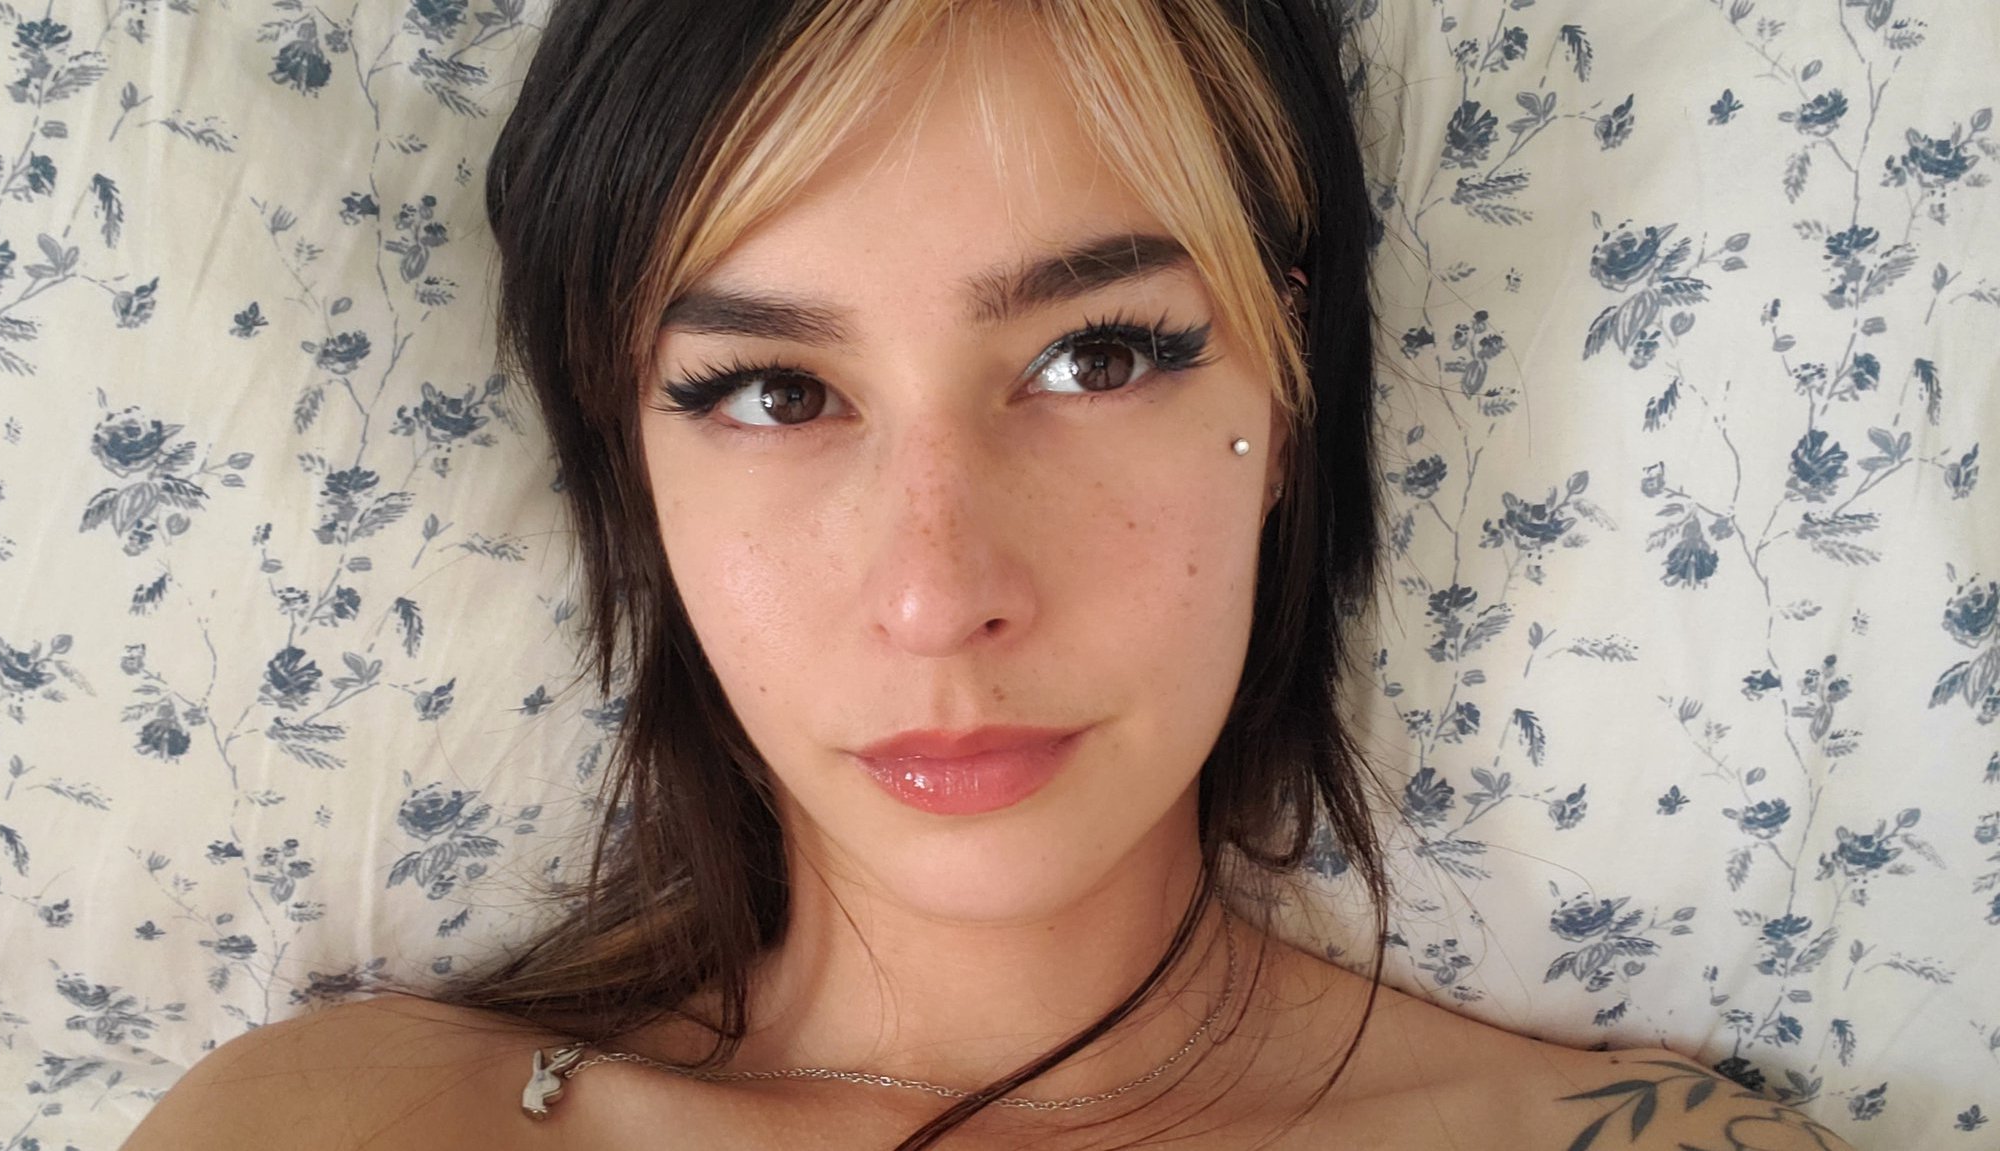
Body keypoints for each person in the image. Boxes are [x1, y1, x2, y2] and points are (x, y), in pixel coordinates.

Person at [123, 1, 1863, 1148]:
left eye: (1097, 358)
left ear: (1285, 393)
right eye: (772, 392)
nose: (937, 594)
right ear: (630, 467)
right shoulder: (333, 1130)